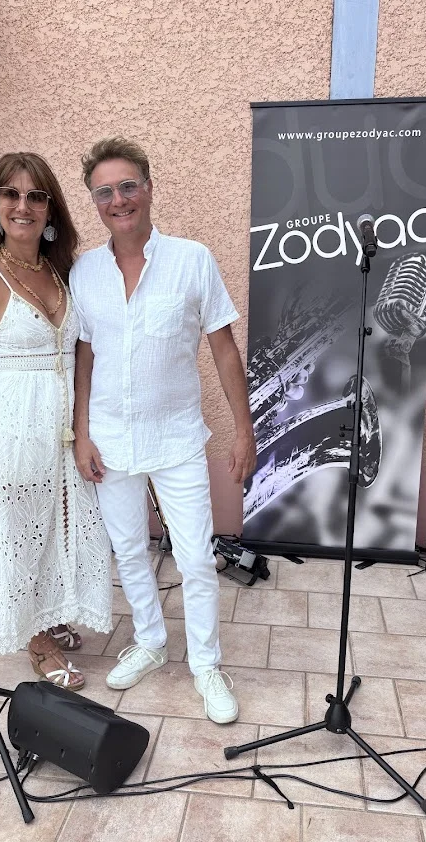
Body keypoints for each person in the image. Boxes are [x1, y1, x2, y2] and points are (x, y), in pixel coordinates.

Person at [71, 137, 256, 723]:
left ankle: (206, 664)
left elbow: (223, 348)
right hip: (110, 439)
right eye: (105, 191)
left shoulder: (192, 260)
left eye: (128, 186)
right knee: (128, 549)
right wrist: (81, 432)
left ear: (149, 188)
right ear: (94, 201)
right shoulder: (85, 271)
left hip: (176, 438)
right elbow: (84, 356)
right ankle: (150, 641)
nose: (118, 200)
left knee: (196, 558)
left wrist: (244, 429)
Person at [0, 152, 113, 690]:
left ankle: (49, 612)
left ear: (50, 209)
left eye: (35, 196)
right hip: (14, 428)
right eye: (11, 194)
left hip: (64, 428)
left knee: (60, 526)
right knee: (19, 530)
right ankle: (35, 640)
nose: (22, 206)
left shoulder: (61, 271)